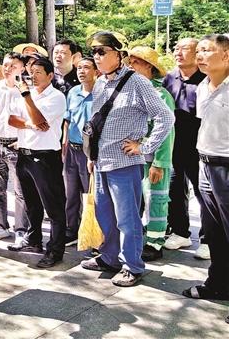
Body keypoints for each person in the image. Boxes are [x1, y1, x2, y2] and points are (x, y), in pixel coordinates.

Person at [80, 31, 174, 287]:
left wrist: (145, 147)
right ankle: (110, 258)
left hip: (125, 163)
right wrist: (92, 155)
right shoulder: (100, 83)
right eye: (94, 52)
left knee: (127, 219)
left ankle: (132, 265)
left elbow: (165, 117)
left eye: (102, 51)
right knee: (105, 215)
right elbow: (97, 122)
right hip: (101, 162)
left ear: (119, 55)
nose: (96, 56)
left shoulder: (137, 82)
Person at [181, 34, 229, 312]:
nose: (199, 55)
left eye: (206, 50)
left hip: (227, 166)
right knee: (214, 231)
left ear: (226, 55)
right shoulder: (202, 86)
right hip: (205, 164)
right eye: (198, 50)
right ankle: (218, 283)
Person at [6, 56, 68, 269]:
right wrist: (31, 124)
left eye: (38, 72)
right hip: (24, 154)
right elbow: (12, 120)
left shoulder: (56, 97)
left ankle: (55, 250)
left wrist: (26, 97)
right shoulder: (26, 93)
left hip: (45, 157)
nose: (33, 76)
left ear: (50, 76)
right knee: (31, 203)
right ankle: (34, 240)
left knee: (53, 206)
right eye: (31, 72)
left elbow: (41, 120)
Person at [126, 46, 175, 261]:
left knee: (156, 199)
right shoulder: (131, 91)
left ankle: (155, 242)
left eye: (136, 62)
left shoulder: (161, 94)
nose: (130, 66)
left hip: (152, 159)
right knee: (137, 200)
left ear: (149, 66)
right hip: (132, 158)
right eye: (130, 62)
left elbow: (166, 131)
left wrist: (160, 163)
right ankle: (142, 236)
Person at [163, 37, 210, 259]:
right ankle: (180, 232)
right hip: (174, 144)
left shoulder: (207, 79)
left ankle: (208, 239)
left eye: (184, 49)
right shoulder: (169, 77)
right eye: (176, 48)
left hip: (199, 146)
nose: (178, 52)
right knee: (174, 189)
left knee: (204, 193)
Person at [0, 52, 29, 245]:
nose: (8, 69)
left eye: (13, 66)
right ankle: (0, 226)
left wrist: (23, 141)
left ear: (22, 68)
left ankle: (21, 230)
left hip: (17, 145)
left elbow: (31, 118)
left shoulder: (26, 90)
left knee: (21, 191)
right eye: (5, 65)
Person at [62, 56, 97, 246]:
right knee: (71, 192)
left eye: (87, 68)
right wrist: (64, 143)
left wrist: (94, 154)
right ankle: (71, 229)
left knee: (89, 193)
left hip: (89, 151)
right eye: (79, 68)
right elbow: (67, 120)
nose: (82, 71)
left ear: (96, 71)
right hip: (71, 149)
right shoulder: (73, 92)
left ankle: (90, 232)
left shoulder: (101, 94)